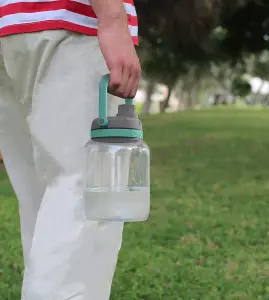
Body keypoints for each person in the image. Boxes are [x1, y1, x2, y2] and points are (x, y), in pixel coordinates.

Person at [0, 0, 141, 299]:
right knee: (84, 199)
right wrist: (113, 18)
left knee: (42, 207)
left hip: (8, 31)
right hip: (69, 24)